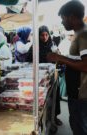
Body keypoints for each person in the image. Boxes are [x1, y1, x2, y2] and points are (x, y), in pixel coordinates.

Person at [47, 1, 87, 135]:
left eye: (63, 18)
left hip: (81, 93)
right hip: (76, 91)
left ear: (71, 16)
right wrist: (65, 60)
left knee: (80, 126)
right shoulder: (79, 34)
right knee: (76, 124)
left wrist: (60, 58)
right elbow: (79, 60)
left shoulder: (83, 35)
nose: (62, 22)